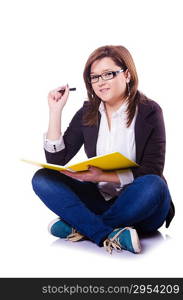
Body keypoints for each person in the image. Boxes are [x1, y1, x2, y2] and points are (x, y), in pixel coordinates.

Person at [32, 45, 175, 254]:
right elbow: (57, 159)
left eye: (108, 74)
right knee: (42, 178)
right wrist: (55, 111)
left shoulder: (149, 111)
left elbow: (152, 169)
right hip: (100, 200)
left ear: (127, 75)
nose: (100, 82)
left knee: (155, 184)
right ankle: (109, 233)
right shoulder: (87, 112)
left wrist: (105, 176)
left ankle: (82, 226)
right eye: (94, 77)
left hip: (142, 205)